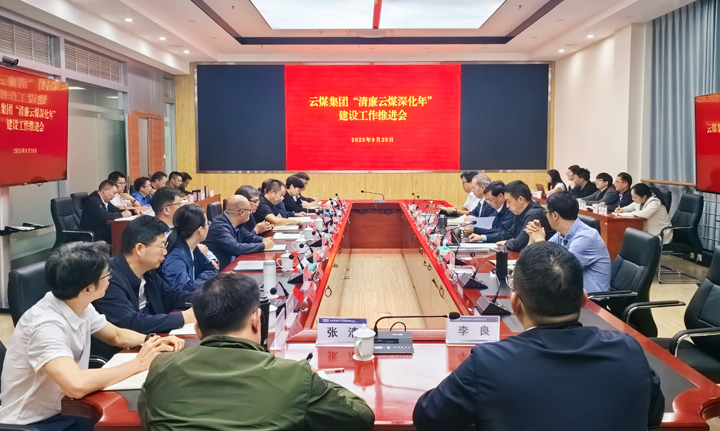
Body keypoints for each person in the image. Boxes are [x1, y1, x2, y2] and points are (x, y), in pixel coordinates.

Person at [412, 242, 664, 431]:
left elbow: (428, 417)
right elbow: (652, 417)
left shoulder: (488, 362)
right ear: (584, 300)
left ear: (515, 304)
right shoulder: (629, 350)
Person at [138, 272, 375, 431]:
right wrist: (313, 376)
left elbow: (148, 415)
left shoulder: (161, 368)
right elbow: (361, 417)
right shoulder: (295, 376)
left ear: (197, 329)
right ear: (256, 320)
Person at [0, 242, 184, 430]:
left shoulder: (79, 304)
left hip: (69, 408)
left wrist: (153, 341)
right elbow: (76, 385)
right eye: (106, 275)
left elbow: (116, 335)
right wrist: (137, 364)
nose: (110, 278)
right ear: (87, 289)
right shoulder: (45, 326)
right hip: (36, 422)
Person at [92, 216, 196, 360]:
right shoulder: (108, 279)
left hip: (149, 344)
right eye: (162, 246)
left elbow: (171, 296)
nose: (165, 252)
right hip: (121, 354)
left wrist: (206, 299)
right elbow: (130, 323)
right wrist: (183, 317)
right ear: (140, 248)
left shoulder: (148, 271)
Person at [525, 191, 611, 293]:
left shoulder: (586, 238)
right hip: (568, 293)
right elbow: (534, 261)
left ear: (555, 215)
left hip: (591, 299)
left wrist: (540, 241)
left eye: (546, 213)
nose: (546, 216)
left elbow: (556, 271)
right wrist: (532, 237)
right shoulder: (561, 234)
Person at [205, 195, 274, 269]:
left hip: (234, 265)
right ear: (242, 212)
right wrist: (263, 245)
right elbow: (235, 248)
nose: (250, 214)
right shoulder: (220, 226)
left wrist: (263, 240)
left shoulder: (236, 223)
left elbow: (248, 237)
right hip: (223, 271)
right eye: (249, 211)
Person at [160, 205, 218, 292]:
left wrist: (197, 282)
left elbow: (212, 268)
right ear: (200, 230)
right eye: (207, 223)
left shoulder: (193, 248)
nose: (208, 226)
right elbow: (186, 290)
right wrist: (202, 281)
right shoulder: (175, 258)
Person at [494, 181, 553, 252]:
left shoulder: (534, 214)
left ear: (521, 200)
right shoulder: (519, 212)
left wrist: (506, 243)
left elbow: (520, 244)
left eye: (508, 201)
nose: (507, 206)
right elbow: (510, 234)